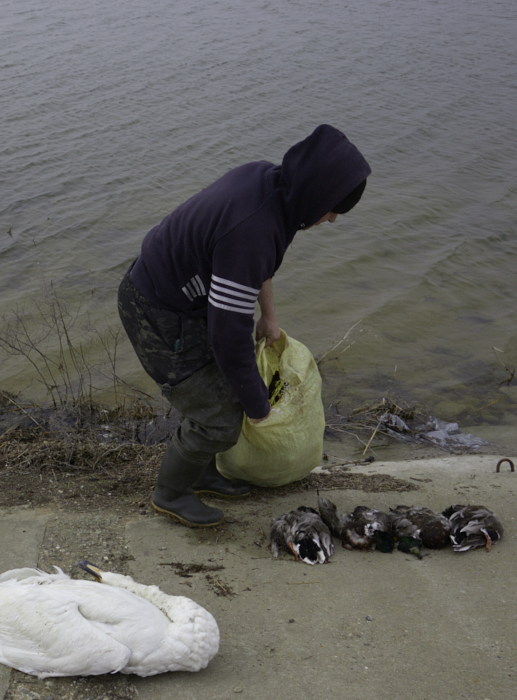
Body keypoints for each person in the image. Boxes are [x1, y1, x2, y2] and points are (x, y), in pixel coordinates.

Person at [118, 124, 371, 527]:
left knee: (223, 396)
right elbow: (227, 335)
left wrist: (268, 317)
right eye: (333, 209)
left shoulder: (273, 187)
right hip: (156, 310)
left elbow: (258, 268)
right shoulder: (254, 227)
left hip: (184, 300)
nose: (333, 220)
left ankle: (200, 472)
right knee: (218, 413)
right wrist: (258, 408)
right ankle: (170, 493)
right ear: (317, 196)